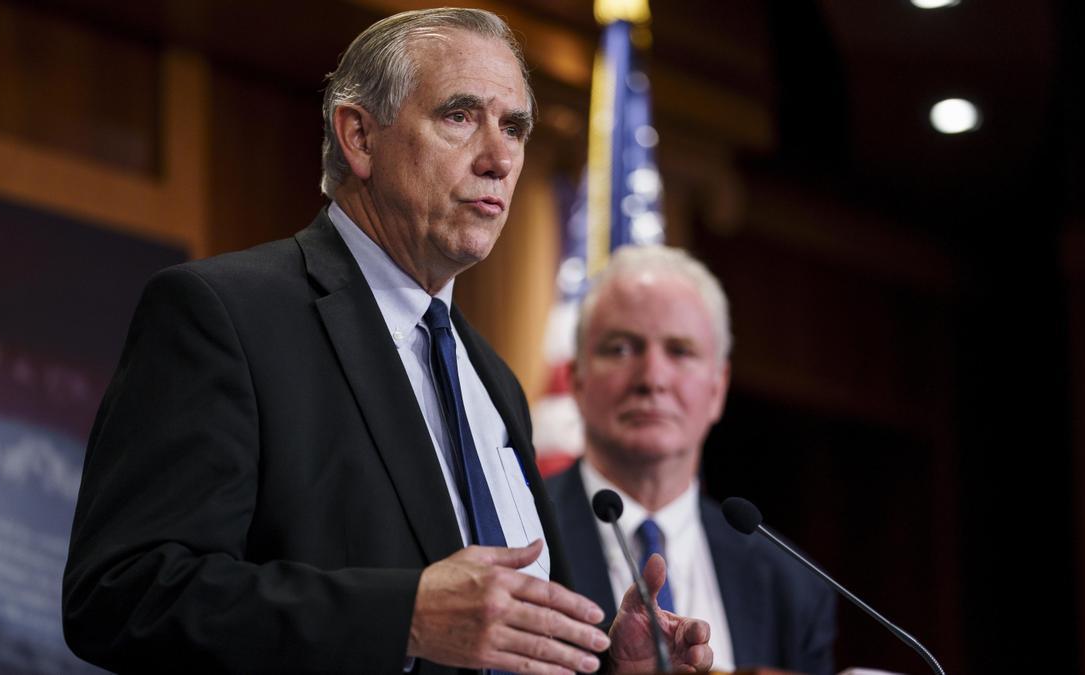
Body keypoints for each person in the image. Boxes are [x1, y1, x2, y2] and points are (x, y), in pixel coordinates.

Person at [61, 9, 712, 674]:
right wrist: (403, 618)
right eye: (460, 116)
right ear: (359, 137)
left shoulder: (494, 382)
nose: (498, 159)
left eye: (514, 127)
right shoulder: (226, 315)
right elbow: (122, 593)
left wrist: (606, 663)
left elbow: (490, 643)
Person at [545, 245, 837, 674]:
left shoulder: (793, 587)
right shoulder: (519, 537)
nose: (652, 379)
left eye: (680, 351)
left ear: (718, 388)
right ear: (577, 381)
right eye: (621, 349)